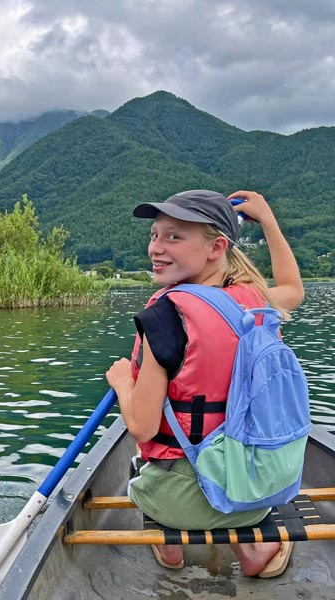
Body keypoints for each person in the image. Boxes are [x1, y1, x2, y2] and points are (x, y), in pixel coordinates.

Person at [105, 189, 304, 578]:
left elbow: (142, 426)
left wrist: (121, 383)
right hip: (258, 492)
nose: (156, 248)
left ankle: (172, 547)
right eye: (155, 235)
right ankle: (253, 550)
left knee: (142, 460)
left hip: (179, 505)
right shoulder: (256, 302)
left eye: (174, 236)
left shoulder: (162, 319)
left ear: (216, 247)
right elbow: (294, 289)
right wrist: (269, 221)